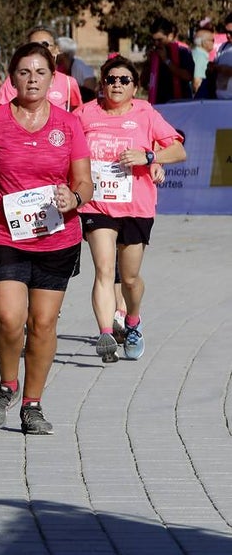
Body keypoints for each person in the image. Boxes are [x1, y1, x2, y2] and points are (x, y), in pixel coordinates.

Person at [0, 42, 92, 435]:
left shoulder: (68, 125)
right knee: (10, 319)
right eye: (24, 72)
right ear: (11, 77)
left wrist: (76, 196)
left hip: (58, 237)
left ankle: (32, 404)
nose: (32, 80)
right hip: (4, 234)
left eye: (40, 73)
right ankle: (6, 385)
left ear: (54, 78)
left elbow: (85, 181)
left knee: (44, 323)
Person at [75, 57, 185, 362]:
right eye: (111, 79)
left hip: (136, 206)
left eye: (124, 80)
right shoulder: (85, 114)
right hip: (97, 205)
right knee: (104, 270)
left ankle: (133, 321)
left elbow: (179, 150)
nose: (117, 85)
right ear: (102, 83)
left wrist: (151, 157)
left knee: (131, 277)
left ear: (135, 86)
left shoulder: (145, 113)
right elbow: (65, 149)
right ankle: (106, 334)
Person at [0, 27, 83, 111]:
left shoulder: (68, 82)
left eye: (45, 44)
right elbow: (2, 113)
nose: (40, 49)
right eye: (34, 45)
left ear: (56, 49)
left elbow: (76, 113)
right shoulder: (14, 81)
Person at [140, 16, 194, 104]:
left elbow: (188, 76)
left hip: (180, 102)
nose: (156, 43)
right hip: (159, 103)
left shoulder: (183, 52)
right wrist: (149, 63)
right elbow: (143, 82)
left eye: (160, 40)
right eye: (154, 40)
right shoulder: (154, 54)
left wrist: (166, 60)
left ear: (170, 36)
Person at [56, 36, 97, 103]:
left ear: (62, 53)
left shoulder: (79, 66)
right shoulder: (61, 67)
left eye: (56, 50)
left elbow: (91, 87)